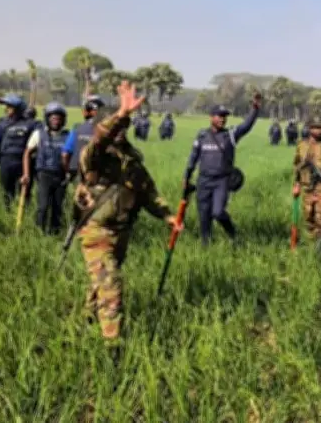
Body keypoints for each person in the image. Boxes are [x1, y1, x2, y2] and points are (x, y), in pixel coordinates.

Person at [74, 80, 181, 345]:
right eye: (117, 126)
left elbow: (148, 191)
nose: (121, 130)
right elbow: (101, 138)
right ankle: (112, 346)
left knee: (101, 281)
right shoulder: (94, 155)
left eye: (125, 126)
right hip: (96, 230)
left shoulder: (132, 158)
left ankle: (85, 321)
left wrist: (167, 215)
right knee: (111, 286)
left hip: (121, 232)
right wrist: (121, 114)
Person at [183, 95, 262, 246]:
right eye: (219, 116)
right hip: (203, 181)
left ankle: (232, 233)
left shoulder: (230, 135)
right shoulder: (202, 135)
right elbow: (193, 157)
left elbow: (246, 126)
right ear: (211, 117)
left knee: (218, 212)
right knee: (204, 216)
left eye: (225, 116)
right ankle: (206, 246)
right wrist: (186, 177)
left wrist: (255, 110)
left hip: (221, 181)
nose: (223, 119)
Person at [21, 102, 69, 234]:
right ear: (47, 119)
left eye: (58, 118)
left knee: (57, 208)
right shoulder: (38, 134)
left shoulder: (68, 136)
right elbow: (27, 153)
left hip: (60, 176)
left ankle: (55, 234)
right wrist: (26, 174)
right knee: (42, 206)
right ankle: (39, 232)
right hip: (44, 175)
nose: (56, 121)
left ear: (63, 120)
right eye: (53, 118)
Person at [0, 94, 40, 209]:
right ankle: (7, 213)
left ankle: (24, 214)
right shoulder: (1, 123)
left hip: (24, 163)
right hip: (6, 162)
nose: (6, 109)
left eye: (9, 106)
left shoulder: (31, 124)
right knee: (6, 192)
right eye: (6, 106)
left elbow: (42, 136)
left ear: (18, 109)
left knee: (24, 193)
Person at [292, 117, 321, 242]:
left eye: (320, 128)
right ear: (309, 128)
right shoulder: (301, 145)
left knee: (320, 216)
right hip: (307, 186)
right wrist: (296, 184)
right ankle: (311, 241)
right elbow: (297, 165)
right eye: (315, 127)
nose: (318, 131)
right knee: (308, 215)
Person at [62, 95, 105, 180]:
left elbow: (65, 154)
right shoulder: (107, 131)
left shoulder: (77, 129)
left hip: (78, 173)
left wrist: (68, 172)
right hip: (100, 174)